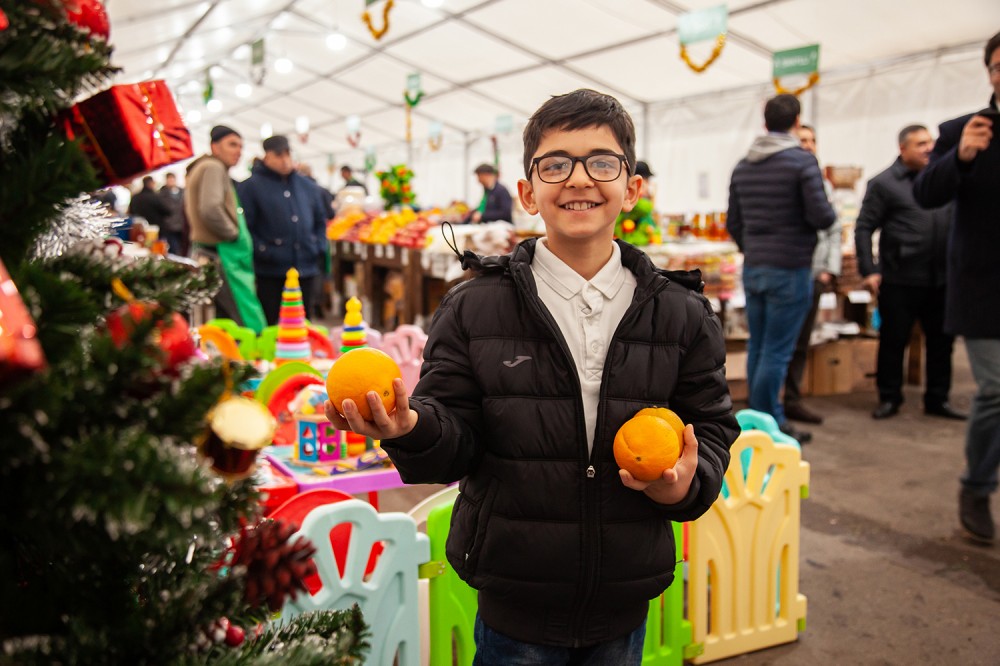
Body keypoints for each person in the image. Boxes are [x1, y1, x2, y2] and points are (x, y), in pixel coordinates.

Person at [326, 88, 739, 663]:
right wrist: (408, 428)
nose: (578, 179)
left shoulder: (680, 313)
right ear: (527, 192)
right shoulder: (474, 308)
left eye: (601, 162)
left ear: (632, 187)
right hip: (513, 590)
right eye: (555, 164)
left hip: (624, 587)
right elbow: (453, 441)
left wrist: (683, 484)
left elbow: (712, 427)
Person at [913, 31, 1000, 544]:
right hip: (983, 287)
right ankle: (976, 485)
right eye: (996, 65)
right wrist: (960, 157)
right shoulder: (965, 130)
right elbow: (925, 192)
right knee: (995, 391)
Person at [726, 94, 837, 444]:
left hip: (755, 266)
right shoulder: (802, 163)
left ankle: (756, 419)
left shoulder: (743, 166)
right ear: (796, 121)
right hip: (790, 267)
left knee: (760, 344)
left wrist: (753, 247)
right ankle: (769, 421)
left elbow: (733, 221)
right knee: (777, 349)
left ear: (765, 122)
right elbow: (823, 216)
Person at [855, 125, 961, 422]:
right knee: (894, 340)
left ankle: (938, 398)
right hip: (900, 278)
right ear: (903, 148)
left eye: (930, 142)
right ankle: (890, 397)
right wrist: (869, 269)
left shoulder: (945, 178)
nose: (928, 148)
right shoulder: (884, 183)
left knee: (942, 342)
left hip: (941, 277)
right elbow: (864, 227)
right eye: (920, 143)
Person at [782, 125, 841, 425]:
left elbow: (833, 230)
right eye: (801, 140)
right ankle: (773, 404)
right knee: (779, 343)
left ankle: (792, 398)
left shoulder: (824, 186)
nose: (807, 146)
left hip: (813, 272)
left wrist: (829, 268)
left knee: (802, 341)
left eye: (811, 141)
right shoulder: (784, 177)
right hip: (787, 270)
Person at [238, 135, 329, 325]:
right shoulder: (251, 187)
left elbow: (321, 221)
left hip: (306, 267)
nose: (285, 159)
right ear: (267, 156)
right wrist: (264, 251)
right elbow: (247, 227)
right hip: (271, 272)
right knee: (273, 323)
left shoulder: (308, 186)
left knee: (303, 322)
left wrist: (317, 245)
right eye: (279, 154)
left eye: (288, 153)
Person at [184, 125, 266, 332]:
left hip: (214, 251)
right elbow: (210, 209)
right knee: (244, 320)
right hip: (221, 254)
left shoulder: (204, 167)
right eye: (232, 144)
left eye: (240, 146)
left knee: (227, 319)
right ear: (214, 146)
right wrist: (233, 234)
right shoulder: (213, 167)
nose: (238, 150)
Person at [614, 160, 660, 245]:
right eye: (647, 181)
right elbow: (646, 208)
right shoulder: (631, 201)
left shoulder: (643, 200)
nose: (649, 184)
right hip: (631, 244)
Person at [158, 172, 186, 256]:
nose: (171, 181)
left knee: (181, 246)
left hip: (181, 224)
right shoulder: (162, 193)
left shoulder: (182, 192)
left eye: (172, 179)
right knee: (173, 248)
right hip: (169, 225)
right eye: (169, 179)